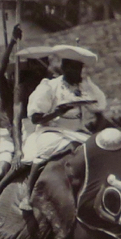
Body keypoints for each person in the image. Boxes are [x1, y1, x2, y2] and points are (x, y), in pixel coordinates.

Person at [19, 48, 106, 210]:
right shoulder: (50, 86)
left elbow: (99, 111)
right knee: (50, 152)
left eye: (80, 68)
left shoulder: (85, 87)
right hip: (52, 130)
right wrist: (58, 112)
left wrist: (96, 130)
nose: (78, 73)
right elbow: (36, 118)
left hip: (79, 133)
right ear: (65, 67)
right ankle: (28, 193)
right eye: (74, 68)